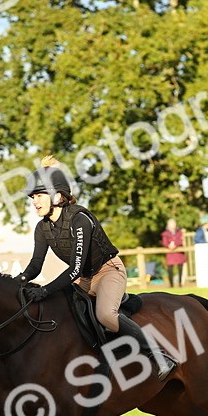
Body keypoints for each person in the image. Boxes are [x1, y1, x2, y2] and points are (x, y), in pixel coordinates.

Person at [16, 156, 177, 380]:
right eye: (33, 197)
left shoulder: (80, 219)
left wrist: (45, 290)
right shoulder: (42, 228)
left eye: (39, 195)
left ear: (58, 196)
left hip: (108, 271)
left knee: (105, 314)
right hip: (83, 279)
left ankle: (160, 355)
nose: (35, 201)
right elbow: (35, 265)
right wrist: (18, 281)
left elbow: (74, 269)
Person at [160, 218, 186, 288]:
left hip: (179, 253)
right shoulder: (165, 234)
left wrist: (175, 245)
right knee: (170, 269)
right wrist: (169, 246)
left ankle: (180, 283)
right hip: (170, 253)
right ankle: (171, 284)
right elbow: (164, 242)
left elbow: (181, 240)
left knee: (180, 268)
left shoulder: (179, 232)